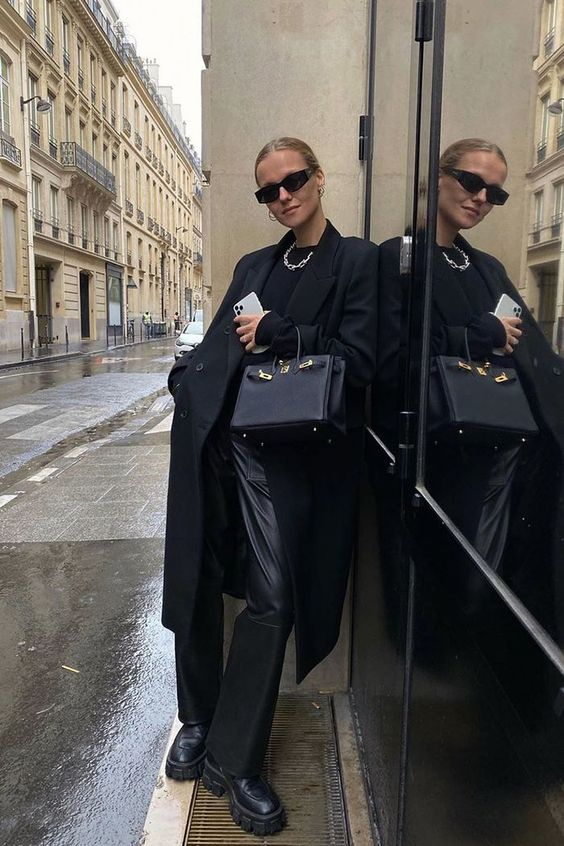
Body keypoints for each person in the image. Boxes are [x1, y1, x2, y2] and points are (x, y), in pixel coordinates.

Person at [163, 136, 378, 836]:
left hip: (291, 457)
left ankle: (234, 758)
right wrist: (186, 379)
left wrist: (283, 333)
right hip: (221, 445)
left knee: (273, 600)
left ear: (319, 177)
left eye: (293, 181)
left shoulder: (356, 262)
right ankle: (197, 720)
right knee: (194, 577)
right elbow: (219, 346)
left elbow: (363, 363)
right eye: (268, 191)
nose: (283, 197)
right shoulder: (255, 264)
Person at [376, 138, 564, 631]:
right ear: (438, 178)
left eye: (494, 193)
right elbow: (392, 356)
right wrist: (477, 336)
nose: (481, 198)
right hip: (431, 450)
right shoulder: (399, 257)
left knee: (483, 582)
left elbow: (534, 356)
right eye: (471, 182)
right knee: (446, 586)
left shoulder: (488, 268)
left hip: (495, 450)